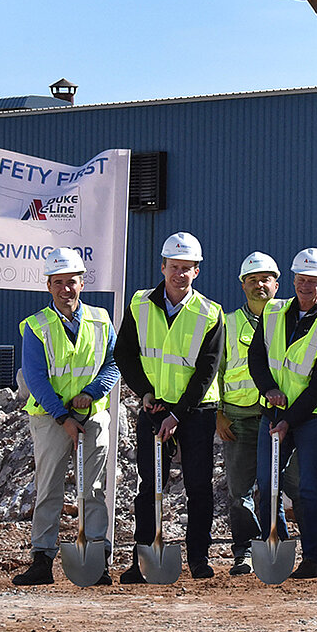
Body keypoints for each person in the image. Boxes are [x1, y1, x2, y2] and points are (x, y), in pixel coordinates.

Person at [116, 231, 225, 582]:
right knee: (150, 487)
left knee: (198, 486)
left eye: (186, 268)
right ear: (162, 267)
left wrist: (178, 414)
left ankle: (198, 558)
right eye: (174, 267)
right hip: (154, 409)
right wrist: (145, 392)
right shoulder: (139, 304)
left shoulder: (210, 313)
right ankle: (143, 559)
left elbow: (207, 369)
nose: (180, 274)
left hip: (196, 411)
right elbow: (124, 353)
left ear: (197, 271)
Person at [11, 248, 120, 586]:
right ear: (48, 286)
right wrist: (63, 416)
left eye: (71, 281)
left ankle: (96, 560)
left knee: (94, 488)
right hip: (50, 418)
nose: (65, 289)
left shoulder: (101, 320)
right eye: (58, 282)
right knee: (49, 488)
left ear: (82, 283)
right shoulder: (37, 326)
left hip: (93, 415)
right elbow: (35, 377)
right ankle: (42, 560)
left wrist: (92, 393)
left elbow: (114, 364)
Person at [252, 247, 317, 580]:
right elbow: (256, 357)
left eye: (313, 280)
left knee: (308, 488)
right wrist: (268, 389)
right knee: (267, 483)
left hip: (308, 418)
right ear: (293, 279)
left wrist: (288, 421)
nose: (305, 286)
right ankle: (277, 544)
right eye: (301, 279)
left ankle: (312, 558)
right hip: (272, 411)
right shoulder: (272, 311)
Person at [217, 252, 277, 576]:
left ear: (276, 284)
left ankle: (273, 546)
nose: (259, 285)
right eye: (252, 280)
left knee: (274, 488)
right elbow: (216, 371)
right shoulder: (227, 323)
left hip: (277, 417)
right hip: (238, 418)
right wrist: (219, 413)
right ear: (243, 285)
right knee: (239, 492)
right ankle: (245, 551)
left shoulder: (286, 321)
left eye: (265, 279)